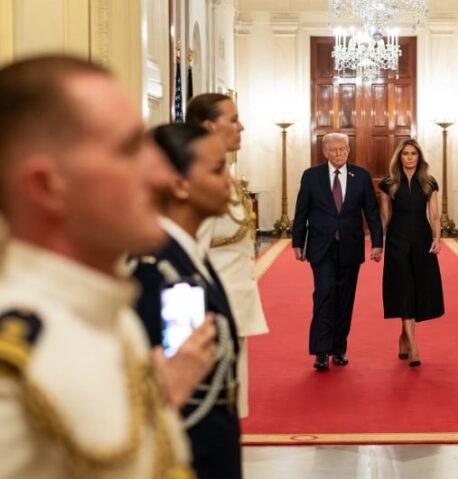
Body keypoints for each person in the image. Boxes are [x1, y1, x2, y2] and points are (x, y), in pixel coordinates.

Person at [0, 55, 197, 478]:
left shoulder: (115, 320)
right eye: (129, 150)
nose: (164, 176)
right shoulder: (13, 365)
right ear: (46, 186)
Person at [132, 123, 243, 479]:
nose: (229, 181)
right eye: (217, 170)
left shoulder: (187, 253)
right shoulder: (162, 271)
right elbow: (183, 393)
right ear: (179, 184)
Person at [187, 93, 267, 417]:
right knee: (212, 408)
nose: (241, 127)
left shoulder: (222, 172)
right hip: (212, 312)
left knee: (231, 402)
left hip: (233, 305)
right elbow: (189, 253)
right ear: (209, 126)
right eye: (233, 120)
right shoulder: (199, 178)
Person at [291, 132, 384, 370]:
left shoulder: (361, 175)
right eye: (334, 150)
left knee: (345, 298)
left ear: (348, 150)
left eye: (343, 149)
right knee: (324, 294)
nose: (339, 153)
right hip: (321, 246)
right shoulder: (311, 176)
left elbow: (371, 211)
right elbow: (301, 211)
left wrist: (377, 242)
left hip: (350, 246)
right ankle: (321, 352)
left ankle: (339, 348)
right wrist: (297, 242)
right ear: (325, 152)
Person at [378, 139, 444, 367]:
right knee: (403, 287)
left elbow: (434, 215)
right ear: (399, 157)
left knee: (416, 288)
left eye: (413, 154)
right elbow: (385, 217)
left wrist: (437, 238)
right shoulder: (388, 184)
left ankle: (404, 337)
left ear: (419, 157)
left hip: (421, 240)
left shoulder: (428, 182)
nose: (409, 157)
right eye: (405, 153)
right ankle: (414, 347)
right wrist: (378, 243)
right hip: (397, 240)